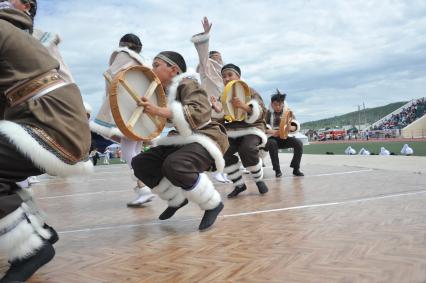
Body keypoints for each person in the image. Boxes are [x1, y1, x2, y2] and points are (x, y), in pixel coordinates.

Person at [0, 6, 92, 282]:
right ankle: (38, 229)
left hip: (52, 124)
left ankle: (30, 250)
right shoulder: (16, 33)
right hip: (50, 120)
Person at [131, 51, 229, 231]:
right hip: (182, 139)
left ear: (174, 69)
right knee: (141, 162)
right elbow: (167, 119)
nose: (152, 69)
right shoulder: (167, 92)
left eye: (156, 65)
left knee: (175, 164)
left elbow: (198, 112)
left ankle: (212, 204)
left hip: (206, 137)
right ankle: (176, 199)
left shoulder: (188, 84)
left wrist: (158, 111)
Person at [90, 34, 155, 207]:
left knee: (127, 152)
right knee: (135, 150)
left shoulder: (122, 56)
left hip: (126, 111)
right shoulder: (143, 64)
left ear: (123, 45)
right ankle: (143, 187)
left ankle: (144, 187)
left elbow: (112, 77)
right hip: (139, 111)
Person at [213, 63, 269, 198]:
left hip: (252, 129)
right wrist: (218, 111)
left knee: (247, 148)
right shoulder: (222, 96)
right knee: (222, 153)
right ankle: (239, 184)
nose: (226, 78)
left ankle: (258, 179)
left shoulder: (250, 91)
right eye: (224, 76)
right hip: (232, 131)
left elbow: (261, 112)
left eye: (230, 75)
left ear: (238, 76)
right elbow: (224, 120)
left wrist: (243, 106)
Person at [191, 17, 230, 184]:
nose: (220, 60)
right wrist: (206, 36)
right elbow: (203, 57)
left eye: (221, 58)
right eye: (217, 57)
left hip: (222, 112)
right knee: (212, 141)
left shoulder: (224, 77)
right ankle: (214, 170)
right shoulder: (207, 70)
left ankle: (220, 169)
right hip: (209, 111)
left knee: (224, 141)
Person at [264, 90, 304, 177]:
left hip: (285, 136)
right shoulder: (267, 113)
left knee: (299, 143)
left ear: (283, 103)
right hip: (272, 137)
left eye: (280, 104)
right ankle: (277, 170)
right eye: (275, 105)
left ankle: (296, 168)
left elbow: (295, 125)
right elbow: (261, 127)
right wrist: (271, 131)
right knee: (272, 143)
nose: (278, 107)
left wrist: (291, 127)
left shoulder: (288, 112)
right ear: (271, 104)